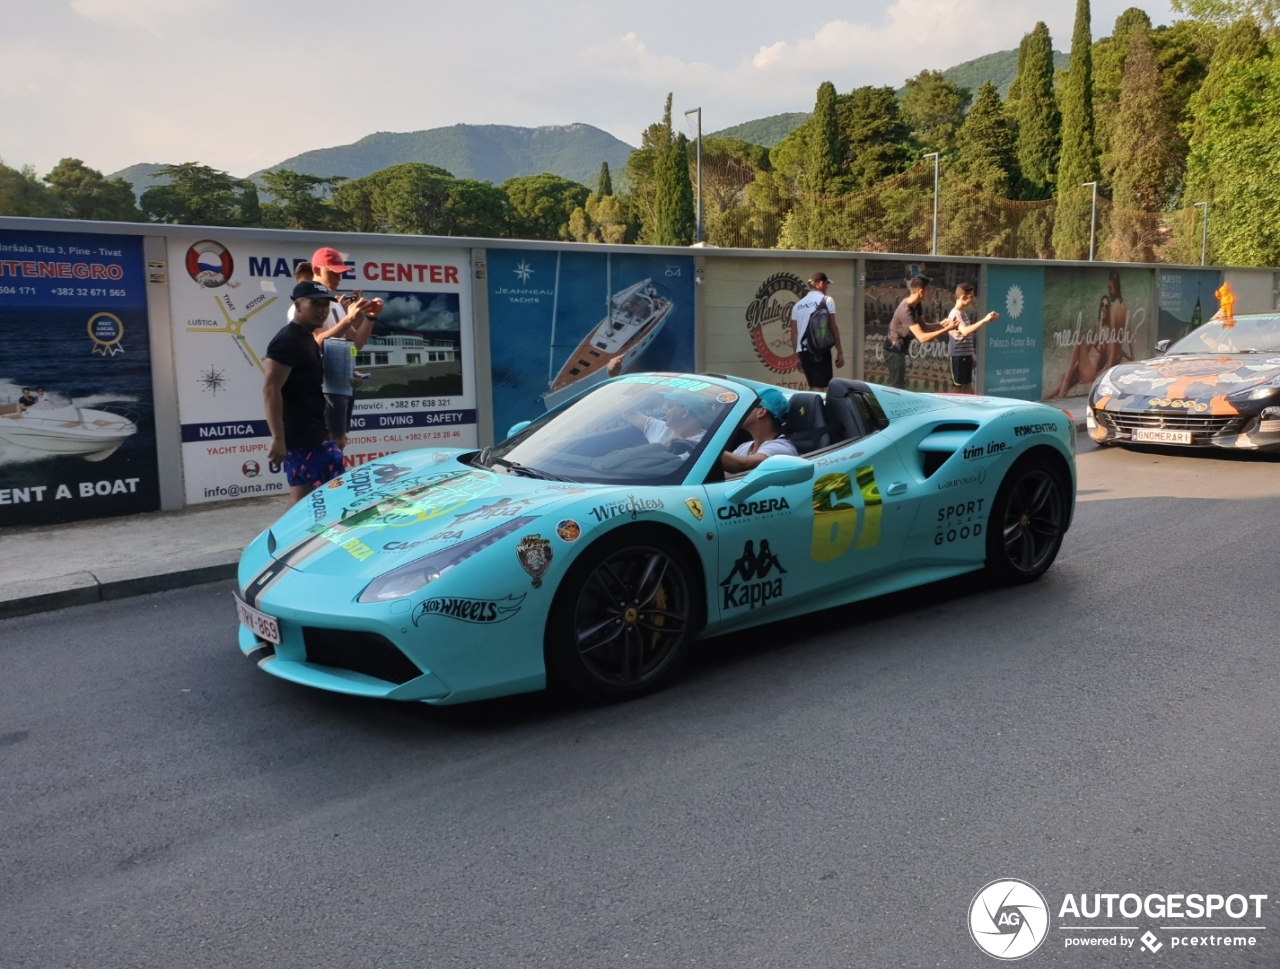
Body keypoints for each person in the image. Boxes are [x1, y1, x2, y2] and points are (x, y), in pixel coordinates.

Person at [264, 281, 347, 506]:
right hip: (304, 438)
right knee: (326, 502)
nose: (322, 310)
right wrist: (278, 438)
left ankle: (293, 542)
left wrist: (348, 377)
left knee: (306, 504)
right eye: (315, 304)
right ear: (299, 306)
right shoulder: (287, 341)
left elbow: (306, 380)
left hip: (312, 434)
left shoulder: (305, 337)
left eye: (325, 305)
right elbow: (271, 389)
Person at [883, 275, 954, 389]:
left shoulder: (916, 304)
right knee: (898, 387)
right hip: (894, 350)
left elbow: (924, 327)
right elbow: (922, 337)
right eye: (928, 289)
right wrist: (947, 329)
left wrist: (940, 324)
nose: (929, 292)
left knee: (899, 385)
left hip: (899, 349)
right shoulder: (905, 310)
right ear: (921, 291)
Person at [721, 386, 798, 474]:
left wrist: (705, 446)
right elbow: (726, 475)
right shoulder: (745, 447)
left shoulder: (781, 447)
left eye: (745, 406)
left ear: (761, 412)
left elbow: (742, 465)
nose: (739, 411)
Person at [790, 271, 844, 391]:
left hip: (803, 352)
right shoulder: (826, 300)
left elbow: (794, 333)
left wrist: (796, 356)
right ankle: (816, 410)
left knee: (814, 385)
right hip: (820, 350)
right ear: (820, 284)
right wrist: (839, 351)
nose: (827, 287)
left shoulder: (797, 305)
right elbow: (833, 326)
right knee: (819, 388)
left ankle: (813, 408)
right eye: (826, 284)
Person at [945, 283, 998, 394]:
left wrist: (970, 355)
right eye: (971, 296)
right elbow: (965, 331)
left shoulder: (962, 313)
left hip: (965, 356)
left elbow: (965, 334)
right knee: (958, 387)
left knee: (968, 386)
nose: (973, 299)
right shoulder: (955, 314)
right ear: (964, 297)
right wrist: (985, 320)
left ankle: (971, 408)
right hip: (958, 357)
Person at [621, 389, 711, 446]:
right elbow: (630, 414)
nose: (664, 408)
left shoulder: (707, 442)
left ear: (685, 412)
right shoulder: (662, 428)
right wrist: (617, 378)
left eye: (670, 405)